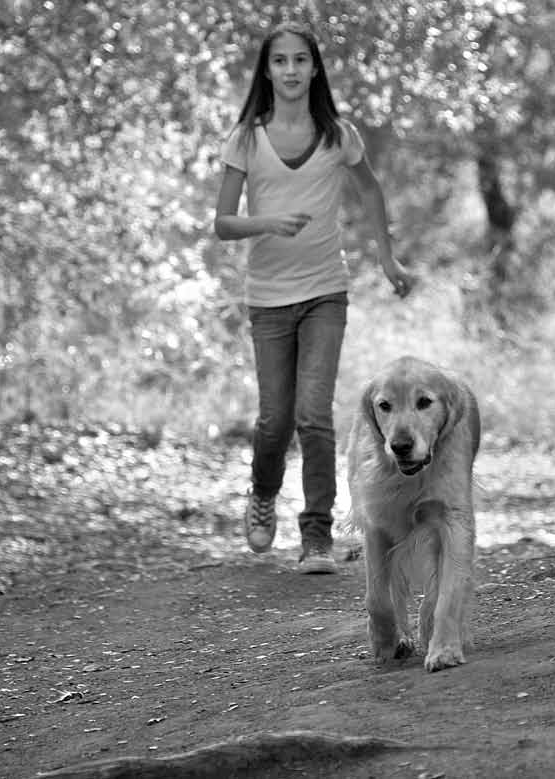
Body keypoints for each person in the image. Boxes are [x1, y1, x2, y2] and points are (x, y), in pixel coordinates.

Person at [214, 21, 415, 574]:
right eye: (280, 62)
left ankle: (317, 537)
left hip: (326, 291)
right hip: (269, 298)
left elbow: (370, 190)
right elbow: (223, 223)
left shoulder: (337, 134)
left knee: (314, 415)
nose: (291, 70)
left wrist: (388, 258)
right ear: (268, 70)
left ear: (315, 67)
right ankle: (262, 492)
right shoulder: (246, 138)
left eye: (301, 60)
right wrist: (267, 221)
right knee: (275, 419)